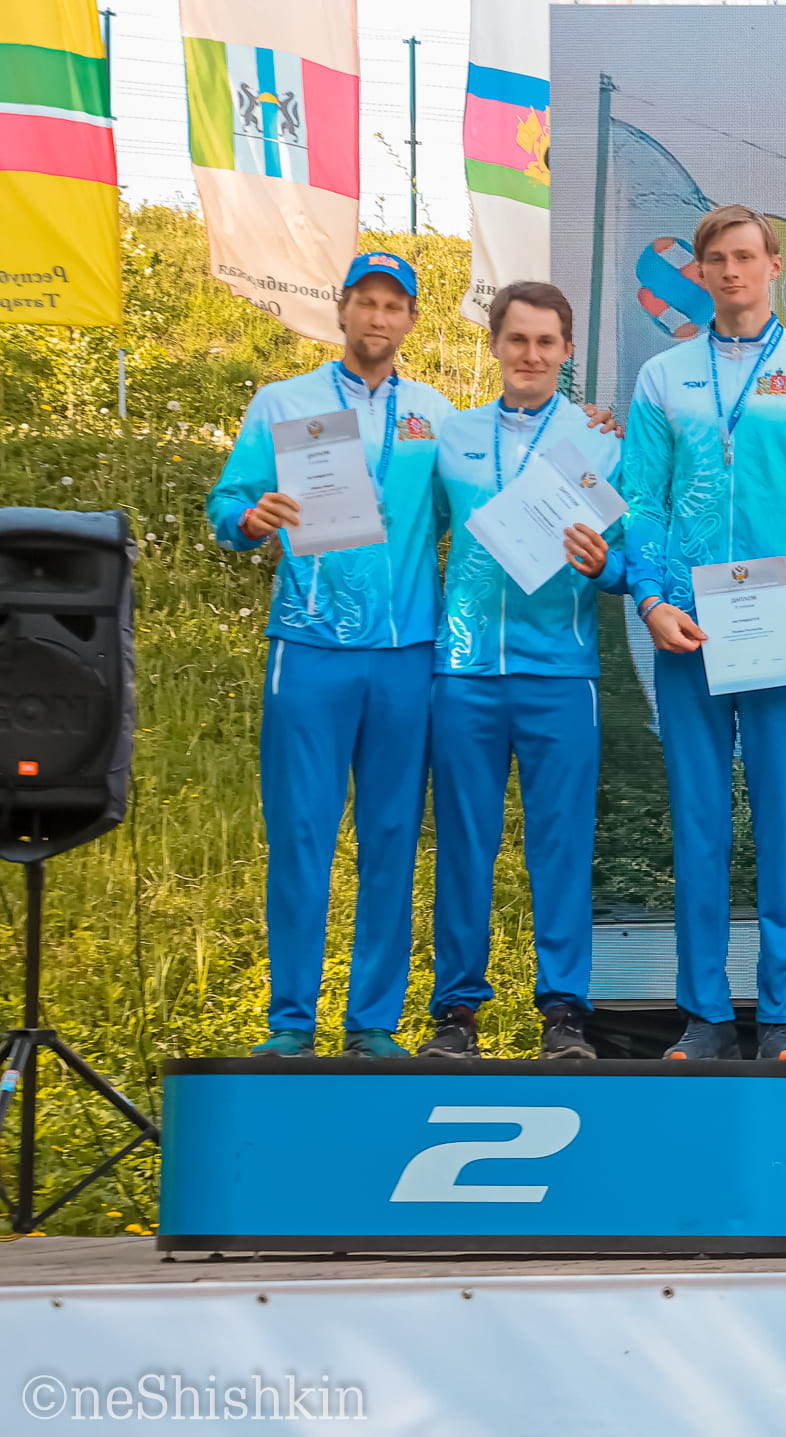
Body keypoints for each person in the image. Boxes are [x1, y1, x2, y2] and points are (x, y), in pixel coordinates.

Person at [622, 205, 786, 1061]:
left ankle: (784, 1019)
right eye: (717, 259)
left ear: (772, 266)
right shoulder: (663, 378)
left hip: (781, 630)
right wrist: (649, 599)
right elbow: (641, 501)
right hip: (688, 627)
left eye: (745, 257)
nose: (732, 271)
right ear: (699, 271)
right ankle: (705, 1017)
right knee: (700, 825)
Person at [208, 252, 459, 1059]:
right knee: (301, 833)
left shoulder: (436, 415)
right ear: (342, 308)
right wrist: (250, 518)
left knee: (392, 835)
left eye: (394, 305)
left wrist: (584, 435)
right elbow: (226, 500)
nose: (379, 318)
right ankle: (290, 1021)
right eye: (366, 302)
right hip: (310, 645)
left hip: (405, 650)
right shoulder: (284, 402)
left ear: (410, 319)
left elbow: (478, 499)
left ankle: (372, 1023)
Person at [416, 281, 628, 1062]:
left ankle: (564, 1013)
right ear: (496, 344)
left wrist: (606, 565)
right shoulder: (453, 435)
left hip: (560, 674)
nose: (531, 355)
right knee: (463, 845)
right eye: (517, 340)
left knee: (561, 846)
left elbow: (629, 557)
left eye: (546, 342)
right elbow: (416, 535)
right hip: (465, 671)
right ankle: (456, 1014)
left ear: (567, 351)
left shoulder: (601, 441)